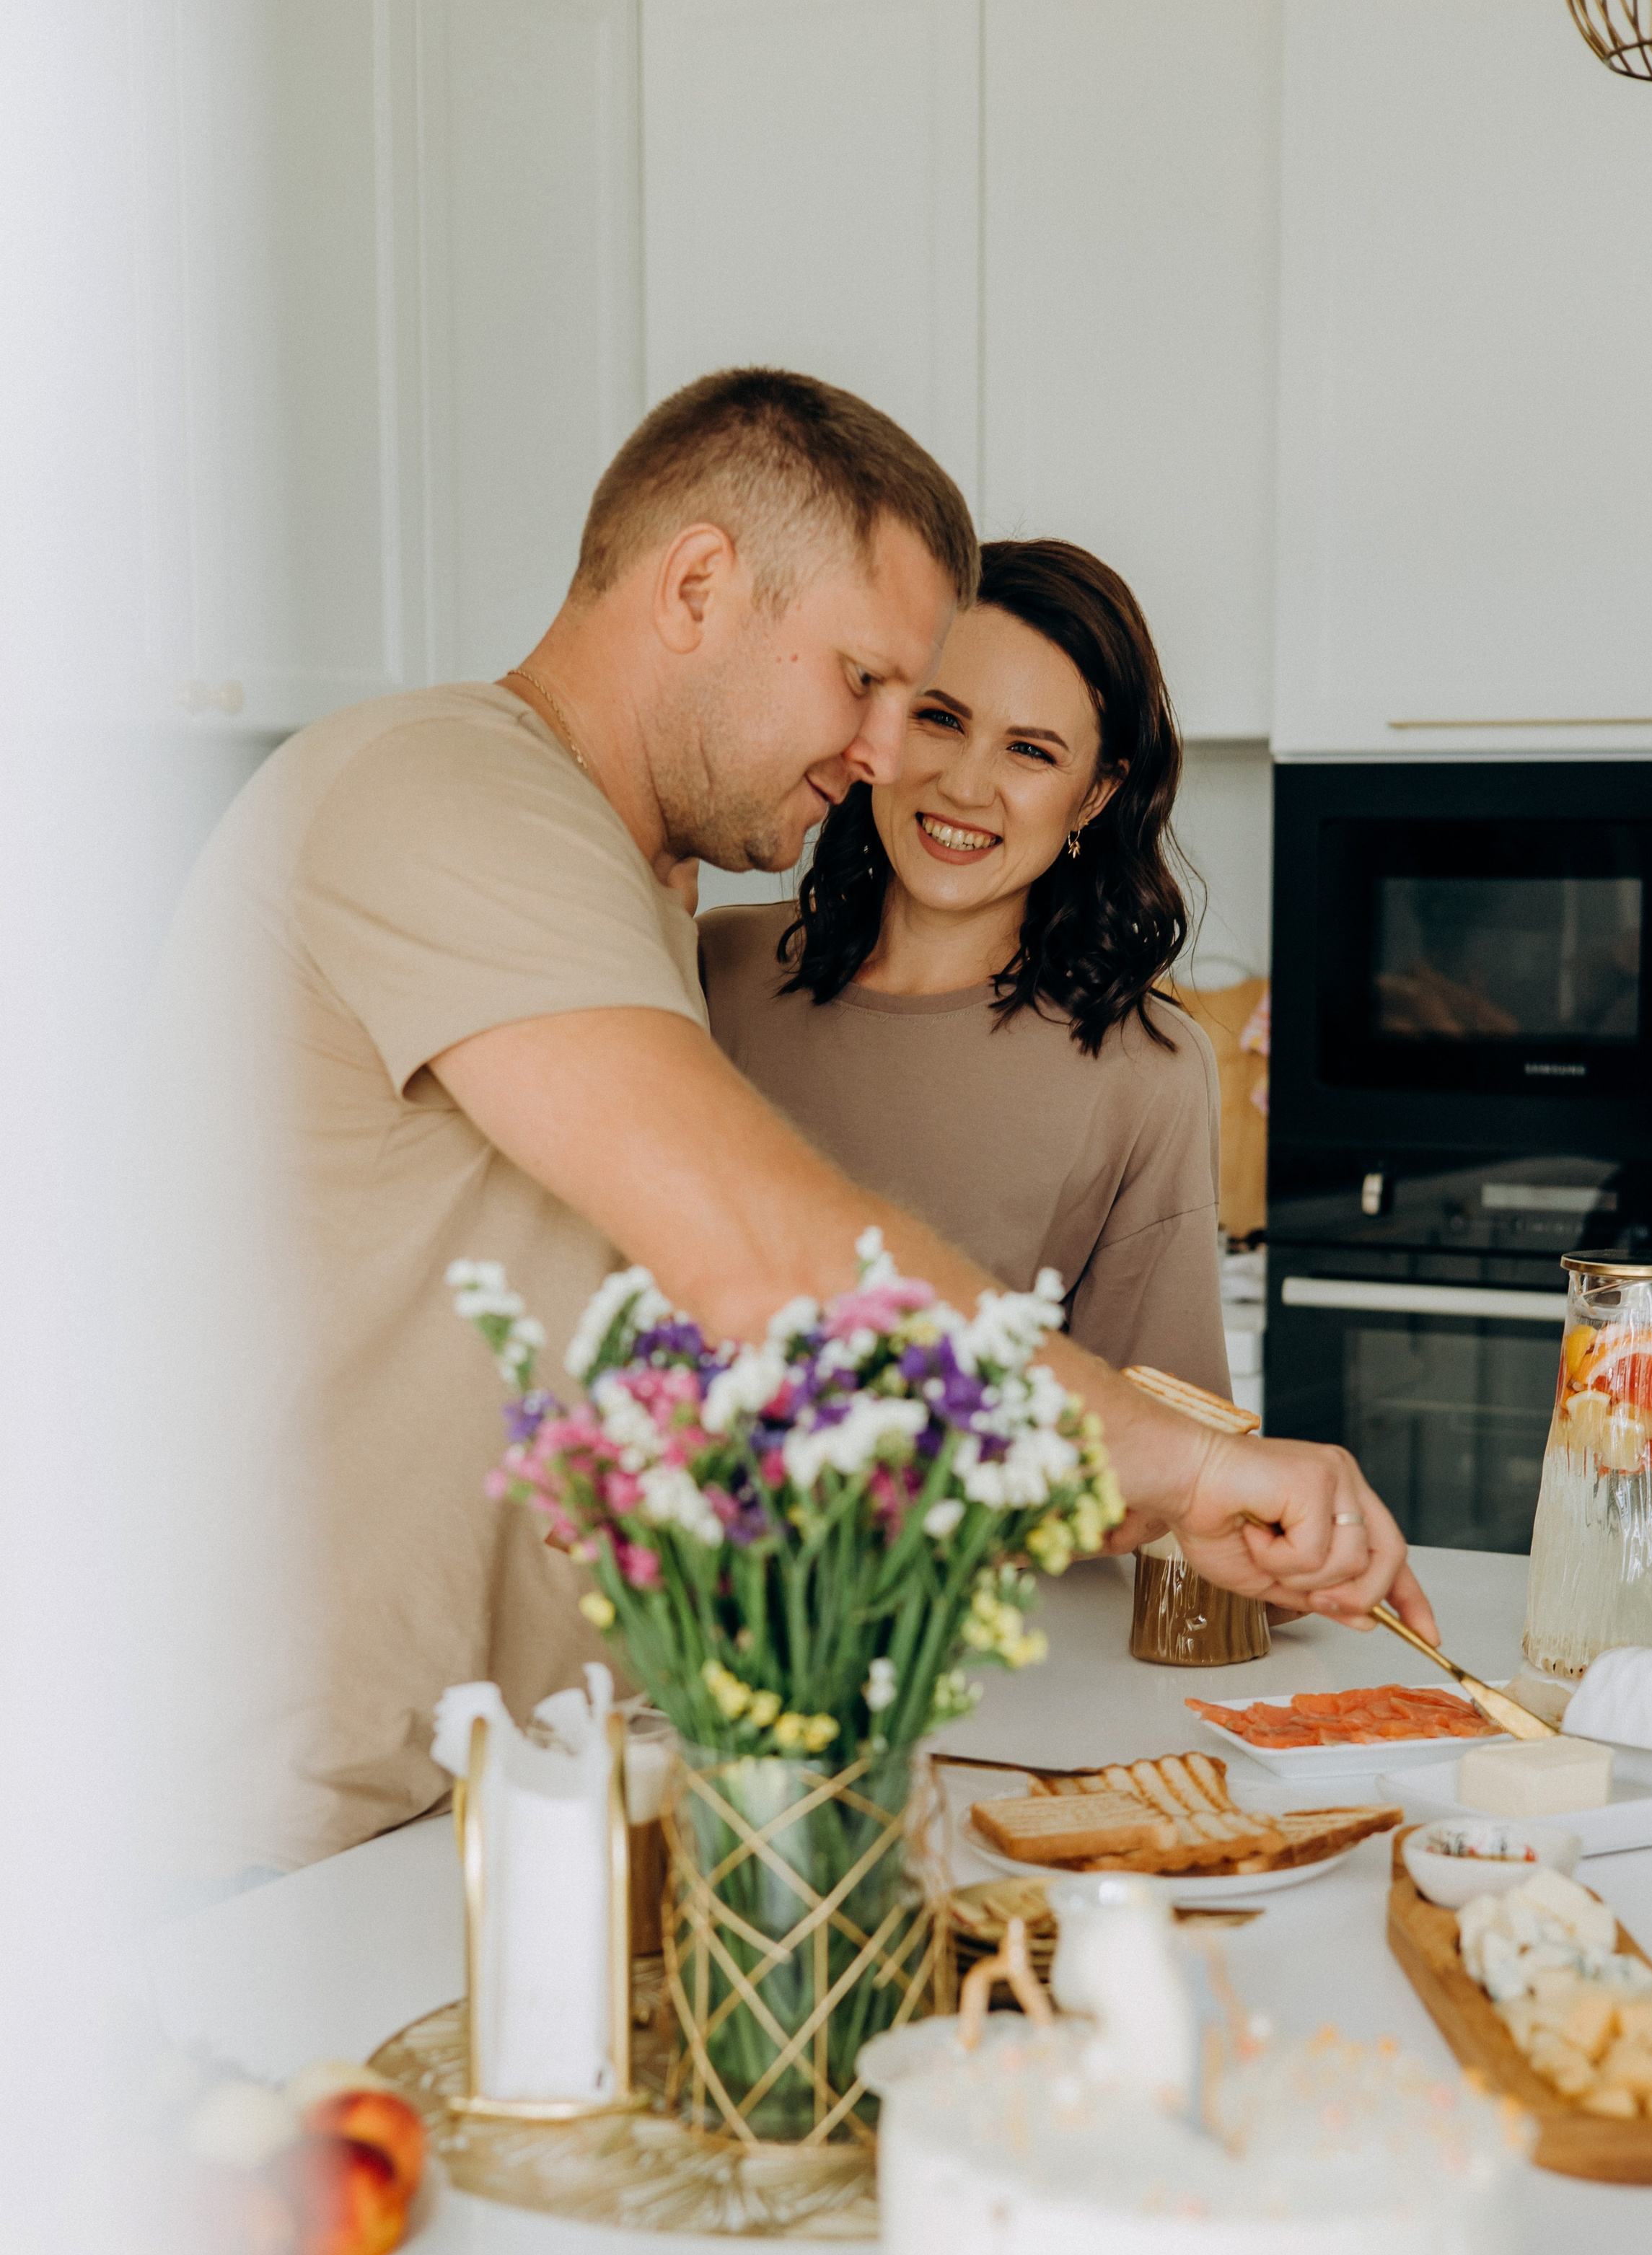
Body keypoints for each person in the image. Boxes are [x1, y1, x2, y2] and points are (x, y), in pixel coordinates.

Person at [153, 367, 1433, 1876]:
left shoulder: (627, 894)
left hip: (506, 1797)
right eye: (868, 682)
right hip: (281, 1829)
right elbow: (769, 1266)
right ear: (698, 586)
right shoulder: (442, 796)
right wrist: (1195, 1470)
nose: (893, 756)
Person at [701, 537, 1230, 1397]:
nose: (964, 786)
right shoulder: (718, 971)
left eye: (1031, 751)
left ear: (1094, 796)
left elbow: (1159, 1438)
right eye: (940, 719)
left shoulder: (1146, 1072)